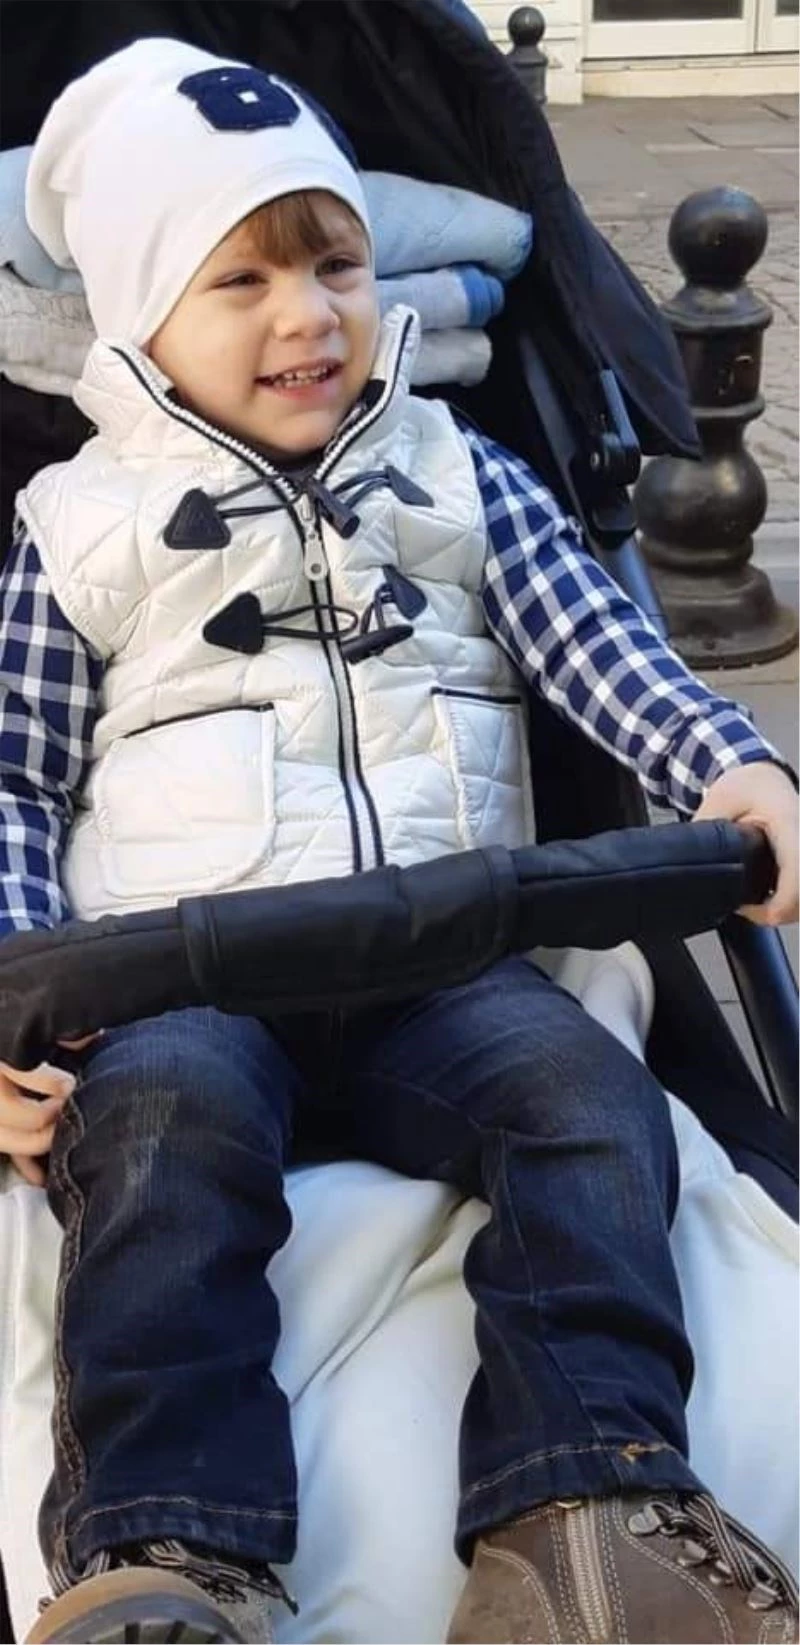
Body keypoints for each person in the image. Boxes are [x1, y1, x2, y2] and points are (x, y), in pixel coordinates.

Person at [0, 36, 796, 1645]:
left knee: (588, 1104)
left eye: (338, 267)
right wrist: (16, 987)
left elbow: (606, 652)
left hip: (448, 954)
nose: (308, 317)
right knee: (159, 1148)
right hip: (181, 977)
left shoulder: (459, 471)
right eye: (242, 282)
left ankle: (590, 1501)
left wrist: (734, 765)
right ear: (143, 313)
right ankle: (166, 1551)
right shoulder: (77, 526)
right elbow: (14, 777)